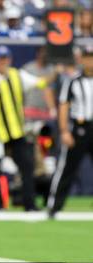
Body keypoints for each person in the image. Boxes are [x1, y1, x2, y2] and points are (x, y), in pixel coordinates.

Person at [0, 45, 56, 211]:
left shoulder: (18, 76)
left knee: (27, 166)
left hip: (16, 131)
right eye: (0, 59)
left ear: (9, 60)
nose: (3, 62)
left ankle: (29, 204)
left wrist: (57, 71)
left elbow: (42, 82)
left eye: (6, 58)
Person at [47, 44, 93, 218]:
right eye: (87, 57)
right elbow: (64, 105)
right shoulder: (73, 80)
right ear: (81, 59)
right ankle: (54, 206)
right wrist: (65, 131)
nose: (90, 61)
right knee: (67, 168)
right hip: (79, 128)